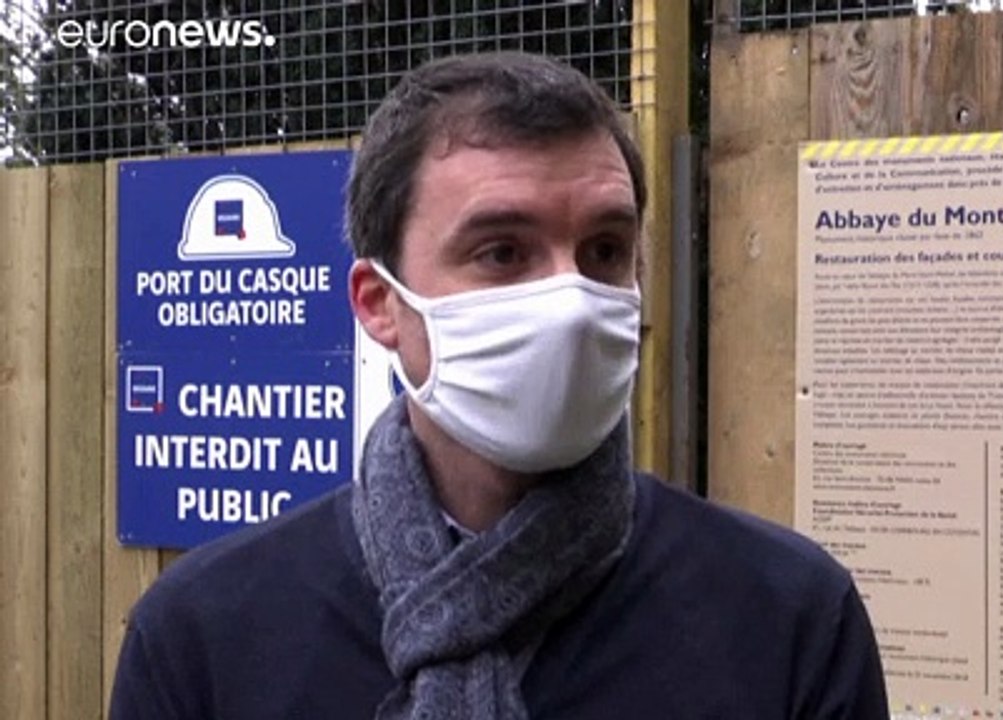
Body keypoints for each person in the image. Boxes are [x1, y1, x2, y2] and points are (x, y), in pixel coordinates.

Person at [110, 51, 889, 720]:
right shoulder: (204, 639)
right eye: (503, 252)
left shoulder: (790, 618)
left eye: (606, 250)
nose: (571, 300)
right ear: (380, 305)